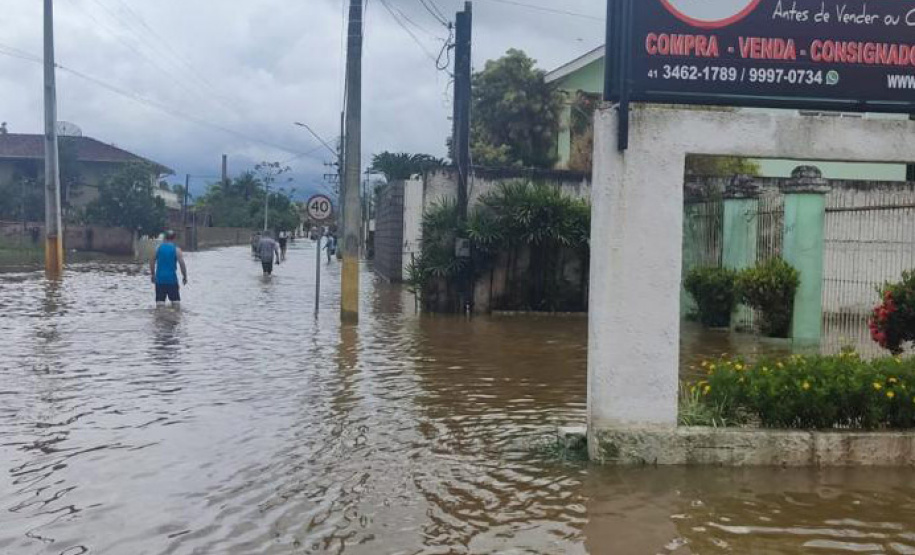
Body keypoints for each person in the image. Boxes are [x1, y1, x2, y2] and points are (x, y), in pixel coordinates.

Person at [150, 230, 188, 306]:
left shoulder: (158, 248)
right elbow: (182, 264)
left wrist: (153, 274)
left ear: (164, 237)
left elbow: (152, 261)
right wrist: (184, 276)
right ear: (174, 238)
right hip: (172, 280)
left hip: (160, 280)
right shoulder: (177, 249)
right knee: (176, 305)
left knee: (160, 305)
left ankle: (160, 317)